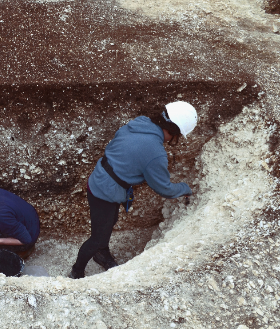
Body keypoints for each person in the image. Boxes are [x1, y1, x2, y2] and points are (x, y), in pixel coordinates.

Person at [69, 101, 197, 279]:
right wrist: (185, 188)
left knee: (109, 221)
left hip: (100, 178)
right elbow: (164, 188)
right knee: (97, 237)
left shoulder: (140, 123)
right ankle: (77, 271)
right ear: (174, 131)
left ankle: (102, 253)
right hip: (105, 191)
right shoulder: (155, 152)